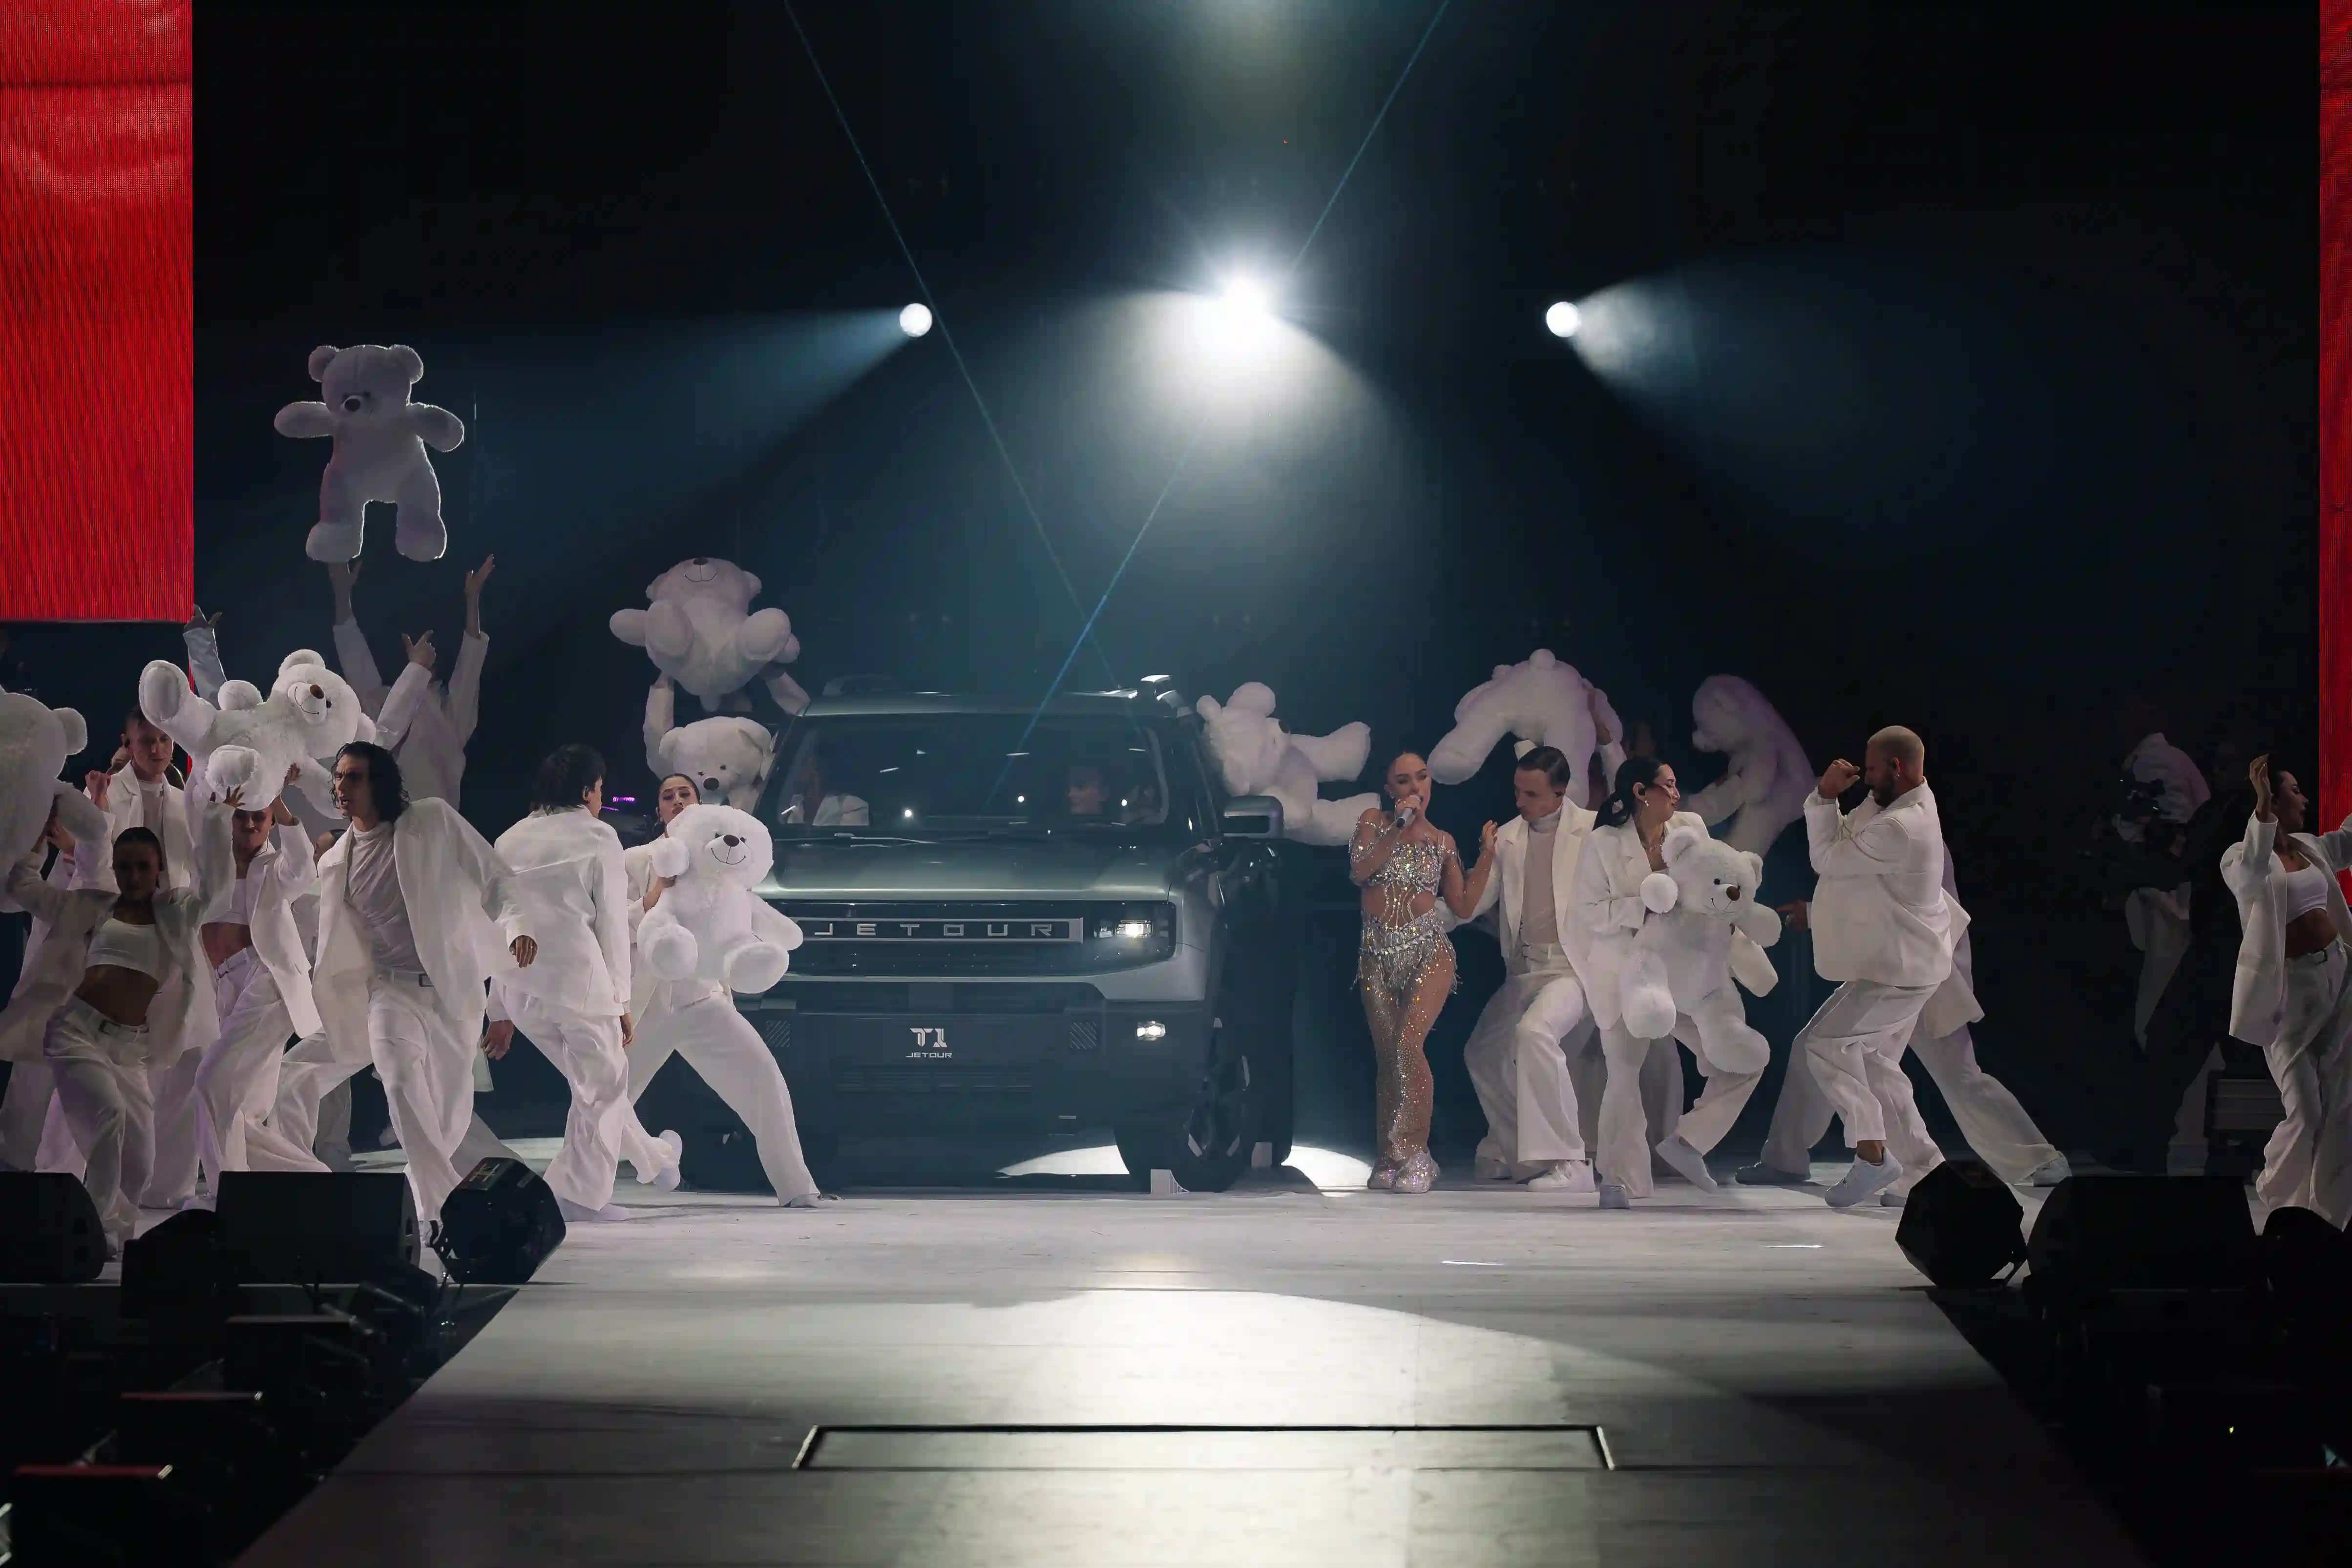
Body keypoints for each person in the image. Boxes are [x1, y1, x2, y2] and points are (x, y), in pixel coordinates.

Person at [1739, 847, 2068, 1194]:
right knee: (1820, 1049)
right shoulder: (1878, 827)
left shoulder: (1909, 829)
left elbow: (1897, 902)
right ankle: (1787, 1157)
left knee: (1952, 1074)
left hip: (1923, 972)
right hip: (1888, 970)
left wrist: (1815, 912)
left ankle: (2033, 1158)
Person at [307, 742, 535, 1227]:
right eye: (339, 777)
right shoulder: (335, 861)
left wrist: (516, 924)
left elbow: (493, 875)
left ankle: (422, 1201)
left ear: (380, 783)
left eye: (354, 777)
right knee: (399, 1081)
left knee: (450, 1120)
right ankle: (439, 1212)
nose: (342, 787)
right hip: (389, 992)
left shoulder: (430, 820)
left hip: (450, 990)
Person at [0, 794, 237, 1248]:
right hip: (75, 1033)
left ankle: (114, 1232)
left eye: (143, 867)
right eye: (125, 866)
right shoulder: (93, 906)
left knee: (141, 1162)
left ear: (158, 868)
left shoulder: (176, 912)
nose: (133, 876)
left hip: (130, 1049)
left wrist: (217, 819)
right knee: (108, 1116)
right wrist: (36, 838)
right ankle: (85, 1233)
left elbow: (218, 892)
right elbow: (24, 886)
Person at [485, 744, 676, 1222]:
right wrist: (622, 1000)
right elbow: (611, 924)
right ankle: (578, 1195)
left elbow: (497, 920)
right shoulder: (598, 835)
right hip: (578, 984)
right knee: (603, 1087)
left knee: (592, 1087)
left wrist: (498, 1009)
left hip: (520, 988)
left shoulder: (508, 838)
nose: (602, 798)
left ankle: (654, 1160)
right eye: (601, 789)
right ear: (589, 790)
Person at [1573, 755, 1771, 1208]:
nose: (1677, 793)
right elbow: (1591, 912)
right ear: (1641, 792)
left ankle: (1689, 1141)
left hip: (1686, 975)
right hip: (1628, 972)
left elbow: (1715, 888)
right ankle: (1617, 1180)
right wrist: (1647, 907)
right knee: (1624, 1074)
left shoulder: (1691, 828)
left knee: (1742, 1060)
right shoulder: (1604, 842)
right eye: (1669, 784)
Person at [624, 773, 828, 1206]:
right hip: (646, 1007)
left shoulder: (723, 855)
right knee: (604, 1099)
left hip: (703, 1001)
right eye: (668, 796)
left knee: (764, 1079)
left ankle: (798, 1188)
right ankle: (579, 1190)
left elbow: (739, 917)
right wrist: (654, 896)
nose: (678, 801)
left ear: (700, 803)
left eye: (685, 794)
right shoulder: (636, 860)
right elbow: (614, 926)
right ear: (659, 810)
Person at [1799, 727, 1956, 1208]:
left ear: (1896, 767)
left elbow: (1827, 856)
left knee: (1825, 1043)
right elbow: (1849, 835)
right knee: (1873, 1062)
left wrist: (1825, 798)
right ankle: (1925, 1171)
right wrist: (1837, 801)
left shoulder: (1901, 826)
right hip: (1902, 958)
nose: (1863, 778)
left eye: (1870, 769)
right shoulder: (1899, 803)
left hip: (1903, 968)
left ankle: (1872, 1154)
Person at [1348, 752, 1495, 1193]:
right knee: (1388, 1056)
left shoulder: (1442, 841)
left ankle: (1415, 1152)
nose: (1416, 787)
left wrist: (1487, 856)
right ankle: (1388, 1155)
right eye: (1404, 780)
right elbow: (1360, 870)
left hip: (1428, 952)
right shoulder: (1373, 822)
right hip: (1377, 954)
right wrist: (1398, 825)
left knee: (1408, 1045)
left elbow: (1464, 905)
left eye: (1423, 777)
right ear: (1389, 789)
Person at [1458, 746, 1600, 1192]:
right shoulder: (1507, 838)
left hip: (1573, 969)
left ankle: (1571, 1161)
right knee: (1482, 1053)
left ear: (1561, 792)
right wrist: (1428, 914)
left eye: (1532, 794)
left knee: (1535, 1033)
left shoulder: (1594, 831)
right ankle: (1526, 1154)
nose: (1520, 801)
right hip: (1524, 970)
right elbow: (1474, 904)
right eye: (1517, 791)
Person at [2219, 757, 2352, 1225]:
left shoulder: (2310, 845)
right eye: (2295, 790)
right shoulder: (2240, 856)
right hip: (2290, 992)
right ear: (2271, 799)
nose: (2305, 798)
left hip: (2340, 976)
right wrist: (2261, 811)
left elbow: (2349, 840)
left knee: (2342, 1107)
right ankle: (2278, 1196)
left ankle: (2330, 1216)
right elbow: (2251, 876)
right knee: (2306, 1111)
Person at [193, 779, 322, 1175]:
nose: (250, 824)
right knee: (242, 1112)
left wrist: (278, 801)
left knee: (212, 1083)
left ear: (271, 823)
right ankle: (309, 1180)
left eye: (260, 818)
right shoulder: (212, 861)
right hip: (223, 985)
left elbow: (304, 868)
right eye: (243, 817)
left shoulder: (276, 866)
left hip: (266, 981)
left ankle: (226, 1192)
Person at [325, 555, 492, 807]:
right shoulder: (384, 703)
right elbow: (355, 658)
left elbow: (470, 667)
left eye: (430, 648)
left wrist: (473, 599)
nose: (424, 651)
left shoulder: (449, 716)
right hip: (391, 821)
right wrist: (342, 595)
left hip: (439, 823)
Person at [779, 748, 868, 827]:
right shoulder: (793, 807)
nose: (792, 769)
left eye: (800, 762)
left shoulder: (851, 808)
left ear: (815, 766)